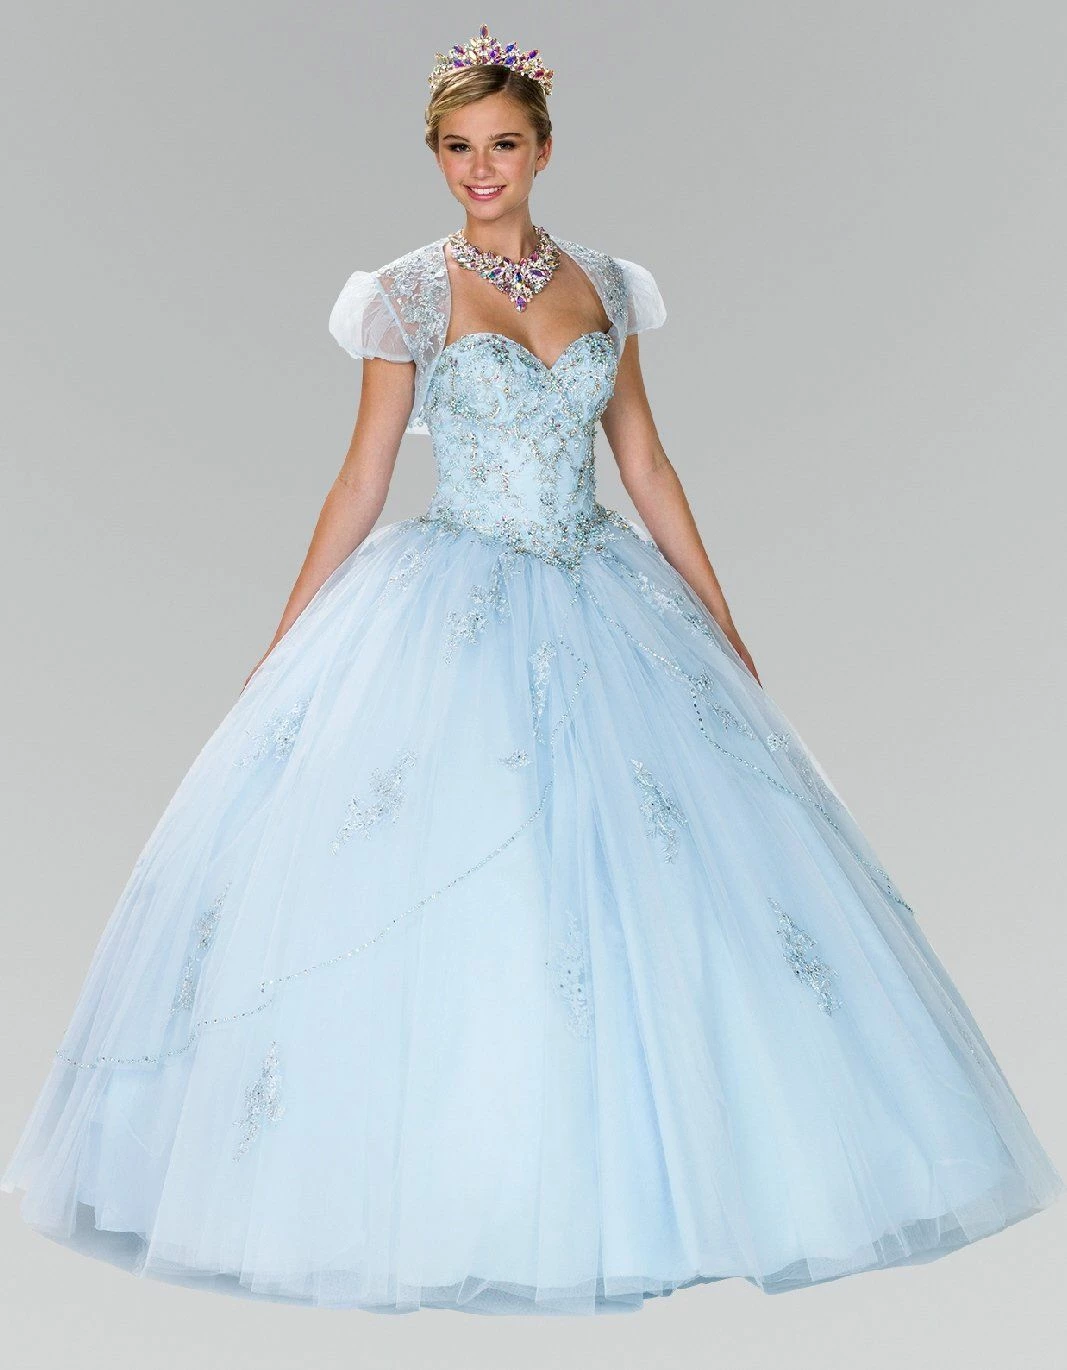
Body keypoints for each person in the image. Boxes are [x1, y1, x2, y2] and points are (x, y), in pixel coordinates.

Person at [2, 23, 1061, 1317]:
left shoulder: (605, 283)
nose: (480, 168)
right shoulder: (403, 295)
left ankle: (653, 1186)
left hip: (605, 596)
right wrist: (286, 638)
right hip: (453, 601)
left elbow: (644, 460)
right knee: (462, 863)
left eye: (502, 144)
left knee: (653, 876)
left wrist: (720, 617)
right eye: (456, 148)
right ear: (437, 157)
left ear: (544, 149)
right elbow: (364, 476)